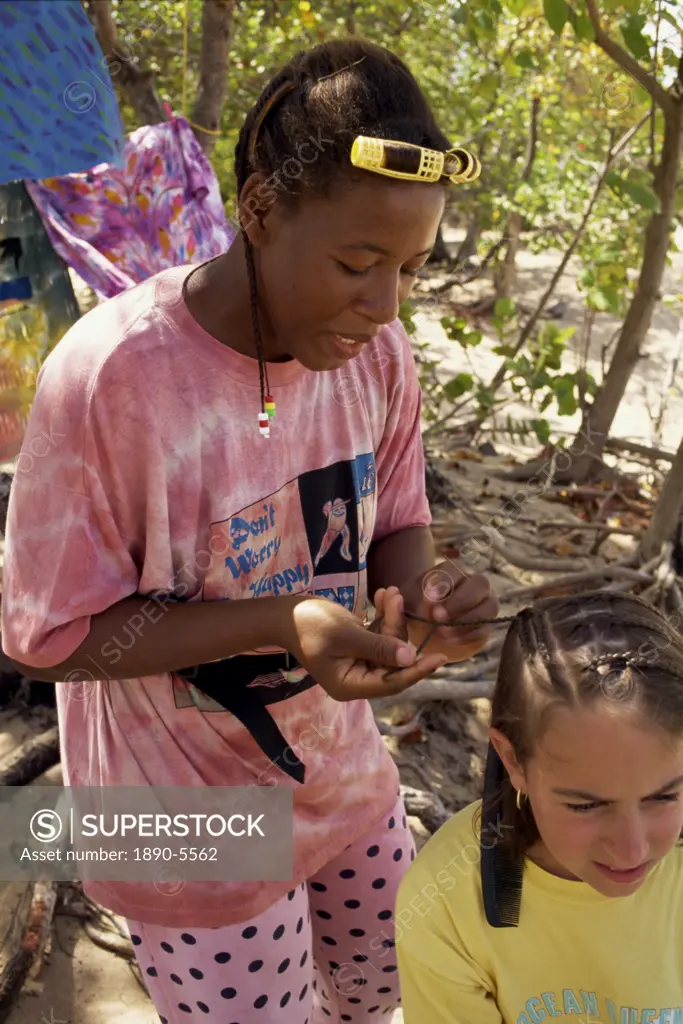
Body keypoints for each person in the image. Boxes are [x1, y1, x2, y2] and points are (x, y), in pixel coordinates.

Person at [1, 38, 497, 1024]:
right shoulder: (110, 379)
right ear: (260, 210)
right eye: (358, 263)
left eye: (409, 267)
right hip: (178, 826)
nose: (385, 304)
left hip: (340, 780)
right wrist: (283, 621)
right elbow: (45, 636)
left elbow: (395, 518)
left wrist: (420, 604)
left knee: (391, 991)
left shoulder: (377, 355)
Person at [395, 591, 683, 1024]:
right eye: (586, 806)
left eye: (664, 797)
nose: (632, 850)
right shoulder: (448, 903)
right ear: (513, 760)